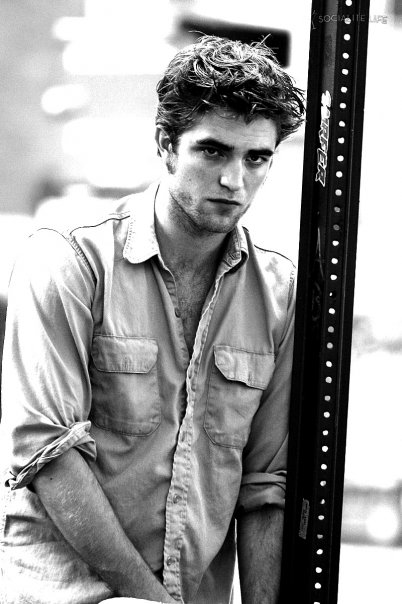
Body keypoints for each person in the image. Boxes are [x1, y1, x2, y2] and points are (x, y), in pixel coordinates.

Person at [0, 35, 304, 604]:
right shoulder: (70, 260)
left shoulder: (279, 295)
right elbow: (48, 453)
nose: (234, 181)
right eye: (212, 151)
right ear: (166, 145)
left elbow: (267, 486)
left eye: (255, 158)